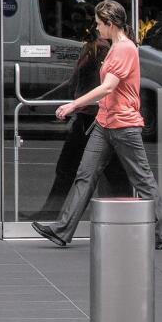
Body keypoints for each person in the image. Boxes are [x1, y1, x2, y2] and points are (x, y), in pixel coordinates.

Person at [32, 0, 162, 249]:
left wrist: (73, 105)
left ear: (110, 24)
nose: (96, 28)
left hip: (124, 125)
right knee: (84, 176)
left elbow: (108, 87)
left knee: (142, 179)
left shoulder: (124, 49)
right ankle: (62, 230)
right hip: (104, 122)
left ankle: (161, 234)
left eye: (99, 24)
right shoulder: (114, 47)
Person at [33, 33, 130, 220]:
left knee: (104, 171)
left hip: (94, 119)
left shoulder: (100, 53)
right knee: (75, 169)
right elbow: (73, 83)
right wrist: (44, 99)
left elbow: (103, 87)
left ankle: (127, 216)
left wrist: (74, 104)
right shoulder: (89, 53)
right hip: (87, 118)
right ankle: (52, 215)